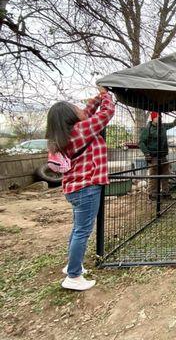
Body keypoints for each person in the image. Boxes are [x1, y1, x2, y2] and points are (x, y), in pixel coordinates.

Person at [46, 86, 115, 291]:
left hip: (74, 188)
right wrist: (106, 97)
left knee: (78, 229)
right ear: (70, 117)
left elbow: (88, 114)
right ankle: (73, 277)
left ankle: (72, 266)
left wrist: (95, 99)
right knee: (82, 231)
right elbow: (106, 113)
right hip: (87, 187)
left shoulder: (63, 136)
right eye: (76, 108)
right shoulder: (80, 131)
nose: (81, 109)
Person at [138, 112, 176, 200]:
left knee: (166, 175)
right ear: (153, 118)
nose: (160, 118)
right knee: (154, 176)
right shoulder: (147, 129)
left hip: (163, 155)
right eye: (158, 117)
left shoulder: (163, 126)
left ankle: (166, 193)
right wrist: (146, 153)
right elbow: (141, 142)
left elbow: (174, 124)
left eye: (160, 117)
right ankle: (153, 195)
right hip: (153, 156)